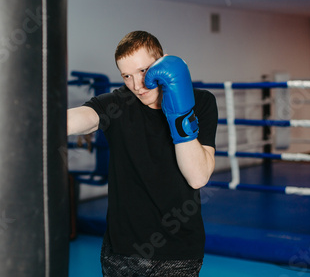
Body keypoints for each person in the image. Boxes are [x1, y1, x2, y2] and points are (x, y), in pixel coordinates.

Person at [68, 30, 218, 276]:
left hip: (179, 252)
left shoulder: (201, 102)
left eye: (143, 71)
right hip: (122, 253)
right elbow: (74, 120)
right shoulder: (117, 104)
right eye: (127, 76)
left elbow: (198, 177)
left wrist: (178, 112)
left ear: (162, 63)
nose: (137, 85)